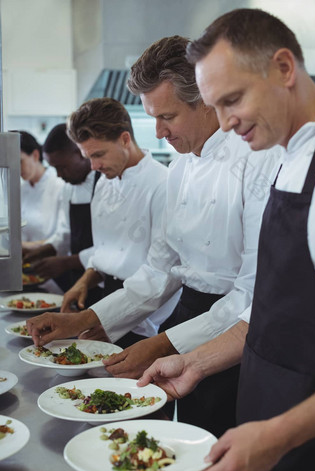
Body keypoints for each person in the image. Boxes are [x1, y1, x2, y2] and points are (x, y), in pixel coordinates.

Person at [27, 36, 280, 438]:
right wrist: (87, 319)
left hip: (237, 334)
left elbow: (251, 293)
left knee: (218, 444)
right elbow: (161, 269)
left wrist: (166, 342)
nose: (158, 132)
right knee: (180, 436)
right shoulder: (181, 168)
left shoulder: (259, 160)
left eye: (167, 117)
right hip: (190, 314)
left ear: (206, 99)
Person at [137, 9, 315, 471]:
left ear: (284, 68)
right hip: (263, 426)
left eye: (232, 100)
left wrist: (278, 434)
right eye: (215, 105)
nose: (225, 123)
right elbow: (267, 305)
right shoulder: (286, 154)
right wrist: (196, 362)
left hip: (311, 442)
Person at [61, 97, 180, 348]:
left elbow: (161, 277)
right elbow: (106, 253)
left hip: (149, 320)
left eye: (99, 154)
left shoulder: (163, 185)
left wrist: (114, 323)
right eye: (87, 157)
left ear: (125, 139)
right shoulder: (104, 182)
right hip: (109, 303)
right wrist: (83, 281)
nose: (94, 166)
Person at [23, 123, 102, 303]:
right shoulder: (69, 188)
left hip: (103, 281)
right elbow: (66, 233)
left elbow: (110, 247)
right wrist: (42, 250)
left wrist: (66, 262)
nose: (58, 175)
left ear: (79, 152)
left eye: (62, 167)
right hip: (78, 282)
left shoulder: (105, 183)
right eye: (54, 168)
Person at [15, 130, 65, 251]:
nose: (16, 169)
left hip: (50, 262)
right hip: (24, 261)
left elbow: (63, 238)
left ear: (35, 155)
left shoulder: (59, 186)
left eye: (20, 162)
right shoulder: (20, 190)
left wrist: (21, 247)